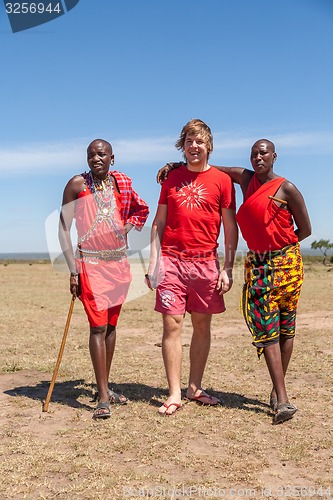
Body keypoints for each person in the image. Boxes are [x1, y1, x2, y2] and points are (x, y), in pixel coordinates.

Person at [157, 139, 311, 424]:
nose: (258, 157)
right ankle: (282, 399)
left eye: (263, 152)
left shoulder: (286, 188)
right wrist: (178, 165)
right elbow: (210, 169)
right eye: (254, 153)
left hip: (287, 263)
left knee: (286, 327)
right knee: (266, 328)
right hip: (258, 265)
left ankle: (279, 393)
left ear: (274, 156)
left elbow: (305, 228)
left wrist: (278, 246)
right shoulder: (246, 179)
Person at [146, 119, 238, 415]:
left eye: (199, 142)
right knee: (171, 325)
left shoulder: (222, 181)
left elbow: (229, 227)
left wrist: (228, 267)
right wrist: (153, 262)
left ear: (208, 146)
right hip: (172, 261)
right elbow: (159, 222)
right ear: (182, 146)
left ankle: (194, 387)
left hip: (206, 263)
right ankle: (174, 393)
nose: (194, 146)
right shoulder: (171, 178)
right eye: (188, 142)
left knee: (202, 325)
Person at [59, 139, 149, 419]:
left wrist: (128, 227)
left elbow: (141, 209)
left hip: (118, 264)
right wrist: (73, 270)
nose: (95, 158)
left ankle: (105, 387)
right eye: (91, 155)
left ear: (112, 157)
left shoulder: (120, 184)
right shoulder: (77, 184)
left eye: (101, 154)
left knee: (110, 327)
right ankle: (102, 397)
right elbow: (63, 228)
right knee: (97, 328)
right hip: (90, 263)